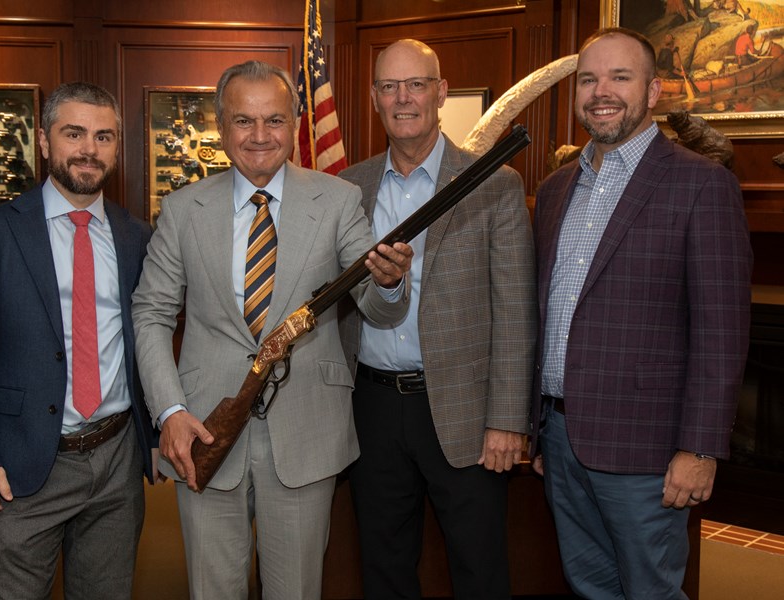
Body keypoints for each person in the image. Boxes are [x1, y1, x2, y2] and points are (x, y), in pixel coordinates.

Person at [131, 60, 413, 599]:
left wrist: (391, 283)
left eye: (275, 121)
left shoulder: (337, 201)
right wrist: (170, 410)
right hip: (204, 432)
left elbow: (377, 308)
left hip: (306, 433)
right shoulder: (183, 208)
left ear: (296, 123)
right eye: (244, 121)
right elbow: (150, 313)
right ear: (220, 125)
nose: (260, 137)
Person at [530, 27, 752, 599]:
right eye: (588, 79)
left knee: (651, 590)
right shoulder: (556, 189)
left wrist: (700, 448)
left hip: (649, 450)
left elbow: (721, 332)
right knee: (589, 587)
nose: (601, 91)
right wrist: (538, 428)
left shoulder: (702, 185)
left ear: (654, 91)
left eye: (620, 77)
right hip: (559, 438)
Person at [339, 39, 537, 599]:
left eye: (416, 84)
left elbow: (516, 315)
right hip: (371, 408)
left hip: (463, 413)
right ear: (375, 98)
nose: (403, 98)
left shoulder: (493, 185)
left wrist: (506, 421)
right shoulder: (346, 190)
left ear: (441, 92)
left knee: (478, 569)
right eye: (389, 86)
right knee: (383, 566)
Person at [0, 81, 157, 599]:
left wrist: (153, 435)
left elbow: (147, 337)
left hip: (116, 459)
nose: (89, 148)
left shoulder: (137, 237)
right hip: (25, 464)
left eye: (104, 136)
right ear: (44, 141)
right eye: (74, 133)